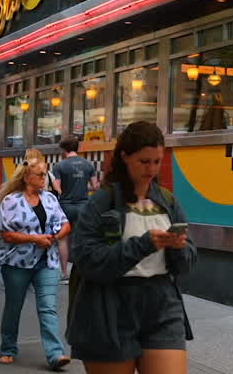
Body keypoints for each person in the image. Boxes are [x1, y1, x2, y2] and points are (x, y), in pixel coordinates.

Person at [69, 121, 196, 373]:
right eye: (144, 161)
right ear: (125, 157)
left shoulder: (167, 200)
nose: (152, 169)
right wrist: (144, 245)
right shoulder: (102, 202)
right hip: (109, 306)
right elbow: (86, 258)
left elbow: (187, 260)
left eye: (157, 161)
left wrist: (179, 247)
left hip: (162, 302)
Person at [0, 158, 72, 370]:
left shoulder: (51, 199)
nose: (45, 179)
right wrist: (35, 239)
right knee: (13, 306)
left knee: (48, 308)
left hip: (47, 262)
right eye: (41, 175)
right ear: (27, 177)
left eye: (46, 174)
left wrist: (53, 238)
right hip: (17, 263)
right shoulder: (11, 201)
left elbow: (65, 224)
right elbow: (5, 234)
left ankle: (55, 354)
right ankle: (8, 348)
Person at [50, 136, 99, 283]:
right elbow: (95, 187)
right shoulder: (88, 165)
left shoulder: (60, 166)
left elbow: (57, 189)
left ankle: (64, 274)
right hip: (83, 205)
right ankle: (81, 273)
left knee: (63, 240)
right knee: (81, 239)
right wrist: (85, 188)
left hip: (65, 206)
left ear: (64, 150)